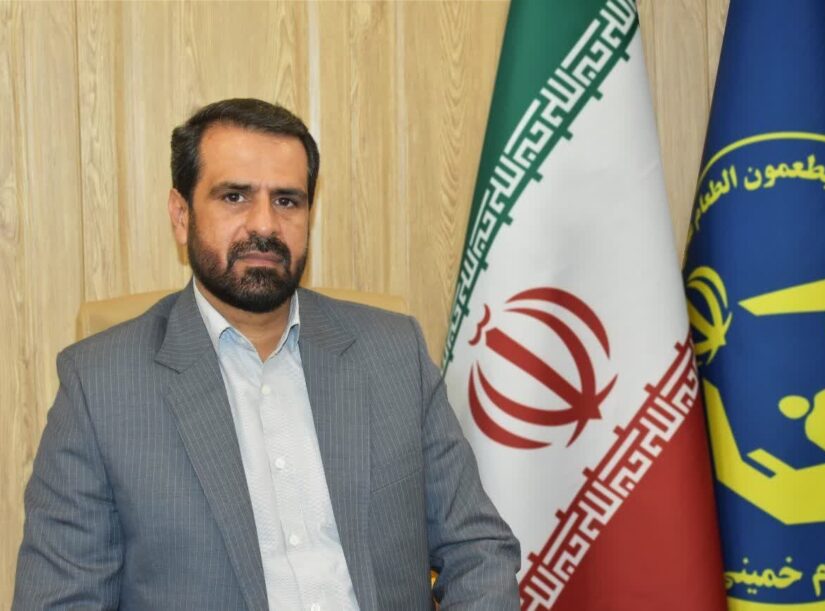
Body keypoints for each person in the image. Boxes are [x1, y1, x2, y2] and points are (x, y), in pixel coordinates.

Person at [13, 98, 520, 610]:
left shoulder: (393, 354)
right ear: (182, 216)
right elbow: (60, 600)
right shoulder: (99, 388)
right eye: (234, 196)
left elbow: (478, 549)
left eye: (287, 201)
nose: (265, 226)